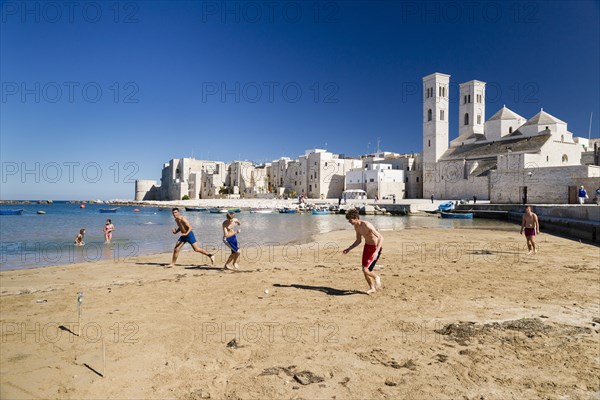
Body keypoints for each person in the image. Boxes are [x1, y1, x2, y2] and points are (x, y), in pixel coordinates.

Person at [342, 209, 384, 294]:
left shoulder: (367, 225)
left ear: (356, 218)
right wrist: (349, 249)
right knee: (364, 270)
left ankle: (377, 277)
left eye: (350, 220)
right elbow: (358, 240)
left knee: (366, 269)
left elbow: (381, 237)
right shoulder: (356, 227)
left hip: (375, 248)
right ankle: (372, 288)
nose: (349, 222)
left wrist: (376, 251)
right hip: (367, 247)